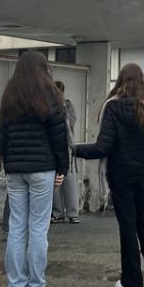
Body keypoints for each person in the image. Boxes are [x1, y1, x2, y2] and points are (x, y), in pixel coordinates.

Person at [74, 63, 144, 287]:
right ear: (142, 81)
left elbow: (102, 147)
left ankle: (132, 281)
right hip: (141, 174)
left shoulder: (111, 107)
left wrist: (74, 149)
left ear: (121, 80)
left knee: (127, 225)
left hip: (119, 175)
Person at [0, 51, 69, 287]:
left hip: (15, 170)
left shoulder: (10, 96)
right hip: (42, 169)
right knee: (38, 228)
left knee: (16, 227)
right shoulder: (50, 95)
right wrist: (62, 168)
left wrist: (9, 157)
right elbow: (59, 135)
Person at [51, 80, 80, 224]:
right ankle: (58, 213)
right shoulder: (49, 106)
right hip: (54, 147)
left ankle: (72, 212)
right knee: (55, 180)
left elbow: (72, 122)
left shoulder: (68, 105)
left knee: (69, 181)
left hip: (67, 147)